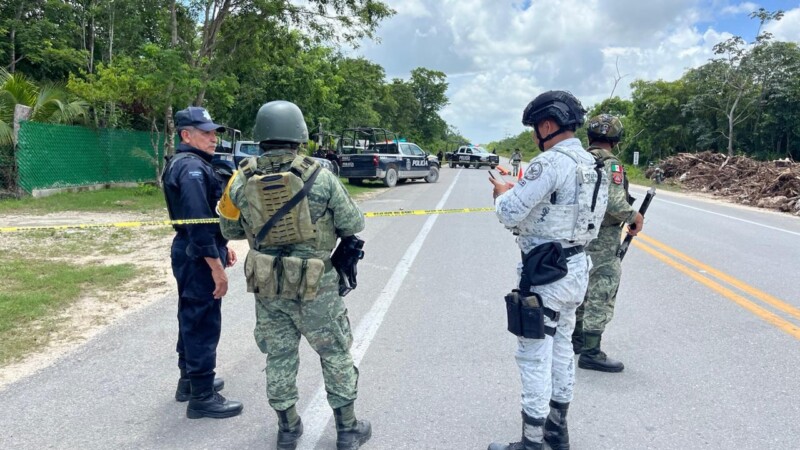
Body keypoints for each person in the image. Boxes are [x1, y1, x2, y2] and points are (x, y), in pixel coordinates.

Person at [218, 100, 371, 450]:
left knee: (279, 356)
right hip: (317, 285)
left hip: (269, 283)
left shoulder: (239, 178)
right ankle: (347, 431)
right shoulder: (320, 175)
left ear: (261, 135)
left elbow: (229, 230)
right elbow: (353, 223)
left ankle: (287, 429)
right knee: (334, 353)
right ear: (299, 135)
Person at [487, 91, 609, 450]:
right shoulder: (595, 165)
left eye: (534, 130)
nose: (533, 138)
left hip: (545, 274)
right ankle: (558, 430)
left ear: (546, 125)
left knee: (533, 354)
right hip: (576, 268)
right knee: (560, 351)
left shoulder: (549, 164)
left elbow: (510, 213)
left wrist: (500, 194)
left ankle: (533, 441)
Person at [162, 106, 243, 419]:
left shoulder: (190, 163)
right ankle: (203, 397)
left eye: (213, 131)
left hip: (196, 249)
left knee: (190, 316)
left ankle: (190, 382)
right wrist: (216, 266)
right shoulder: (192, 169)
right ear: (186, 135)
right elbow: (197, 222)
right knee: (202, 322)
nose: (213, 137)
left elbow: (209, 217)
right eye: (206, 132)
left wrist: (224, 245)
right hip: (197, 254)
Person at [571, 114, 643, 373]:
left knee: (581, 287)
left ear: (589, 136)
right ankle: (591, 351)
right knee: (602, 287)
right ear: (616, 139)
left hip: (577, 235)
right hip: (602, 237)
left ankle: (576, 339)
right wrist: (634, 217)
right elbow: (614, 202)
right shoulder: (610, 163)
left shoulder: (578, 160)